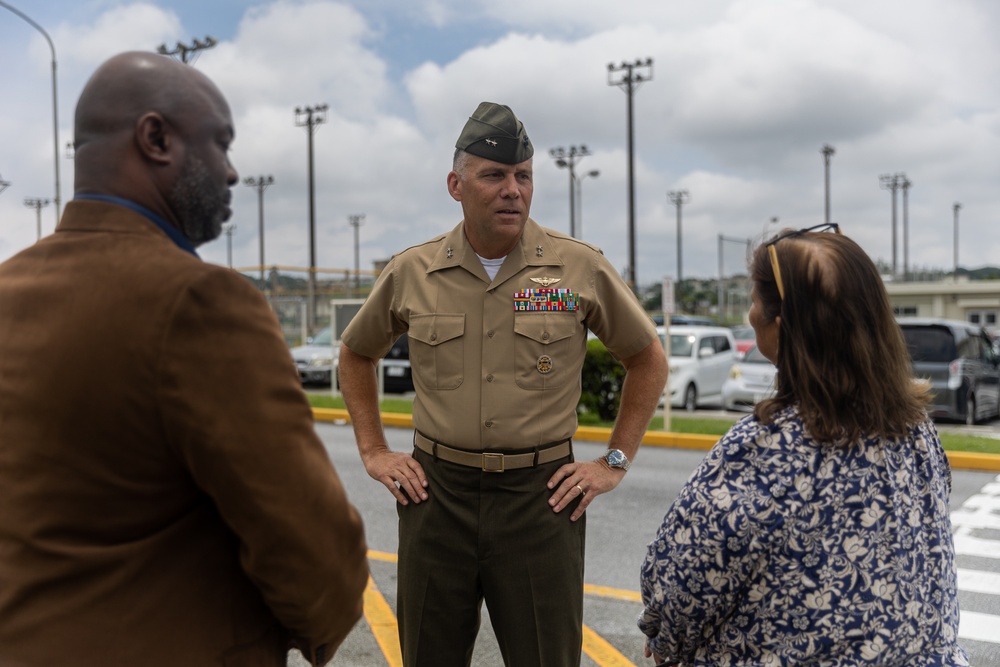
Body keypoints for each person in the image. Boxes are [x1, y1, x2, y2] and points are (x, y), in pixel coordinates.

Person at [0, 52, 368, 666]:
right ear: (156, 138)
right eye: (220, 144)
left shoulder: (9, 288)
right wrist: (323, 625)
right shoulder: (198, 300)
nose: (230, 173)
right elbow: (309, 542)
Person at [338, 101, 668, 666]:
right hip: (435, 495)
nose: (512, 189)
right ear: (456, 184)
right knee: (428, 654)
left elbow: (647, 358)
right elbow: (354, 353)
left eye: (523, 176)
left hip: (540, 500)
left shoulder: (577, 269)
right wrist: (373, 450)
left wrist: (613, 460)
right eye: (494, 175)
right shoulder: (412, 271)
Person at [638, 223, 969, 666]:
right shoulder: (917, 430)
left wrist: (664, 641)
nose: (749, 314)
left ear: (780, 325)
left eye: (754, 301)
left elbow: (684, 582)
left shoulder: (766, 448)